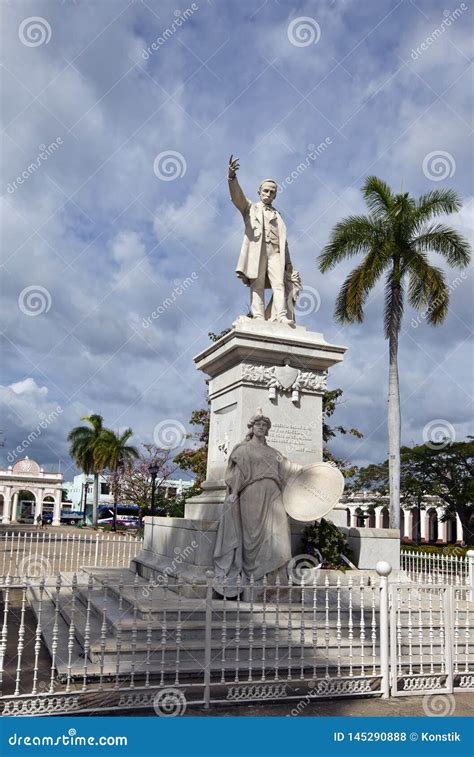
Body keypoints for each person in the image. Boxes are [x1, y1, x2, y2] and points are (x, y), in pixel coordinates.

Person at [213, 412, 301, 594]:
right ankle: (253, 576)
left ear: (268, 430)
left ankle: (274, 577)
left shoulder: (274, 453)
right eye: (258, 424)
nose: (261, 427)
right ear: (252, 428)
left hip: (274, 494)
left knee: (279, 533)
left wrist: (317, 470)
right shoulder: (243, 449)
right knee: (251, 536)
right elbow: (237, 474)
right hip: (251, 493)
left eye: (264, 425)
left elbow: (291, 469)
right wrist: (234, 493)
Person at [228, 155, 301, 324]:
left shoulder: (278, 216)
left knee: (279, 284)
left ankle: (281, 315)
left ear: (275, 196)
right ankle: (258, 316)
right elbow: (237, 197)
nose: (268, 194)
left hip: (275, 252)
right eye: (266, 191)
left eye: (272, 192)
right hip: (258, 250)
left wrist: (289, 264)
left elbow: (285, 243)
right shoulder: (250, 208)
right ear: (259, 192)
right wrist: (232, 178)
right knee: (257, 284)